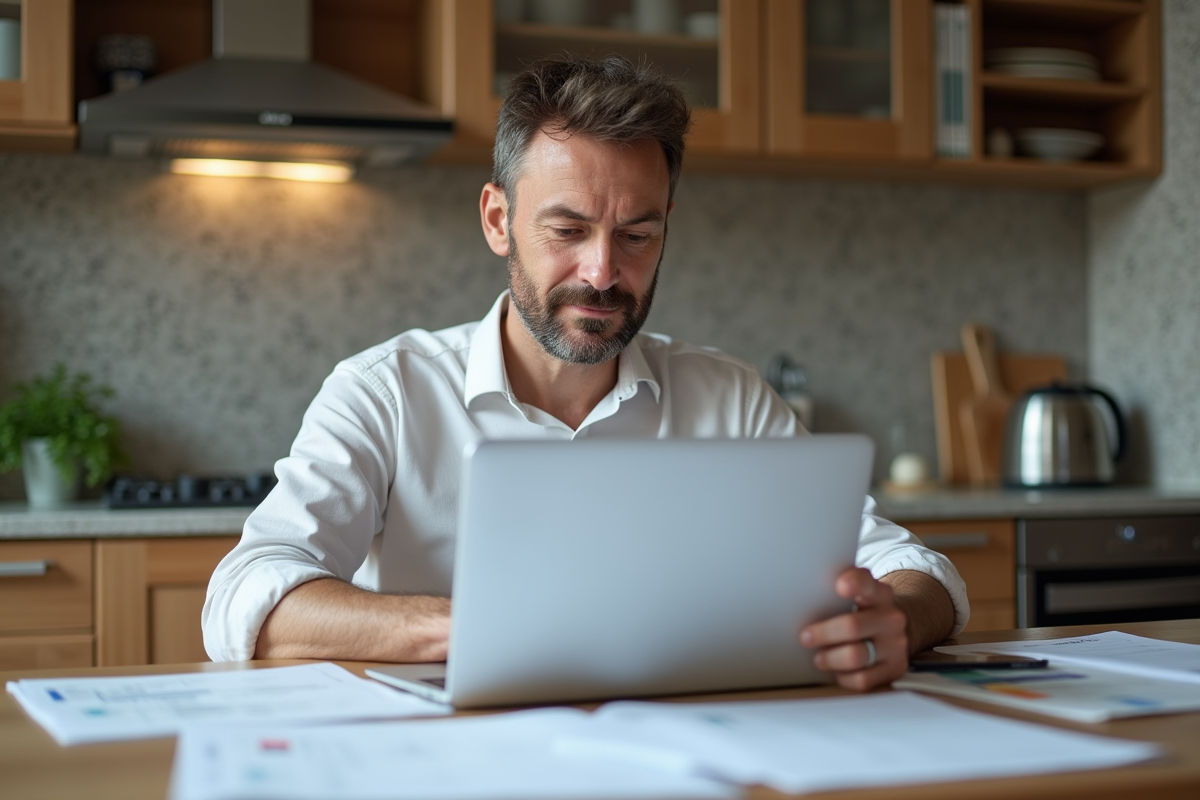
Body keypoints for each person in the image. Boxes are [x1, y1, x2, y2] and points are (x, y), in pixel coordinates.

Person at [203, 54, 967, 691]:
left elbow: (911, 565)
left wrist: (897, 619)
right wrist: (479, 627)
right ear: (498, 220)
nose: (602, 272)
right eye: (567, 230)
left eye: (637, 234)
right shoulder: (386, 391)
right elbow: (243, 597)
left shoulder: (729, 396)